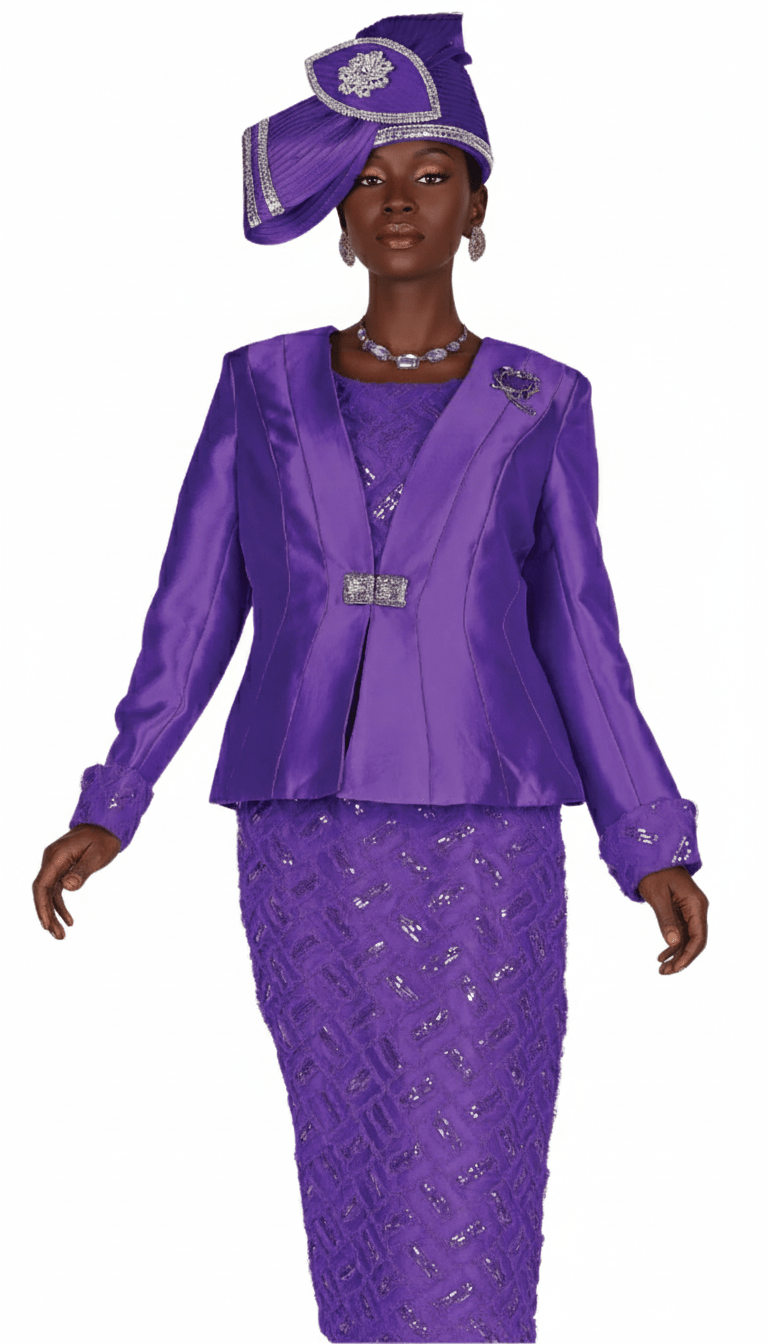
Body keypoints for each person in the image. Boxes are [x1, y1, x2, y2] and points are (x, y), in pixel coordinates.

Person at [32, 13, 708, 1344]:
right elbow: (191, 611)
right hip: (307, 842)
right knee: (350, 1157)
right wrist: (114, 801)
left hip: (487, 844)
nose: (400, 200)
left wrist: (652, 843)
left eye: (432, 174)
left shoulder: (542, 399)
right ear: (339, 213)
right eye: (371, 178)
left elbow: (580, 632)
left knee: (472, 1171)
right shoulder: (259, 388)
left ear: (478, 206)